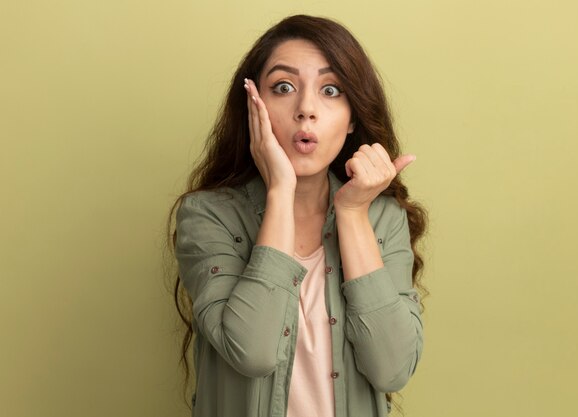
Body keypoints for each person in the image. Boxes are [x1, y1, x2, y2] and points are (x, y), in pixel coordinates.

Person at [170, 14, 428, 417]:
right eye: (284, 87)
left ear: (352, 119)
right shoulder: (208, 216)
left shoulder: (382, 218)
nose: (306, 109)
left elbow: (392, 369)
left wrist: (354, 212)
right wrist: (280, 190)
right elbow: (252, 351)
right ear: (255, 107)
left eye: (330, 90)